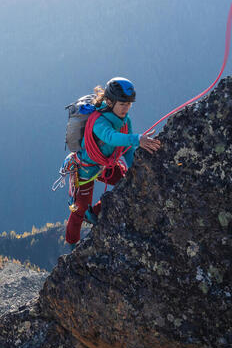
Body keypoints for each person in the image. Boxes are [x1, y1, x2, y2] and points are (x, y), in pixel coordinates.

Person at [64, 77, 161, 250]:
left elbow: (128, 147)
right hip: (86, 169)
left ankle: (94, 213)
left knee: (125, 184)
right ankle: (72, 245)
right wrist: (138, 139)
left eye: (129, 104)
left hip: (104, 165)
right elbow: (111, 137)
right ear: (109, 101)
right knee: (78, 210)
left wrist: (133, 170)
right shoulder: (98, 121)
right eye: (122, 104)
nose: (126, 108)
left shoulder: (125, 120)